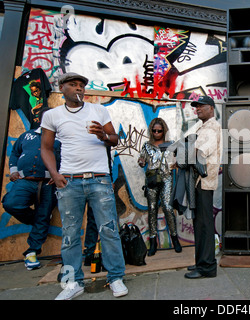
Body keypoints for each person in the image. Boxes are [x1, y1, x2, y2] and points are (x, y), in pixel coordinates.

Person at [40, 72, 128, 300]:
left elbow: (115, 138)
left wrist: (103, 136)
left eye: (81, 85)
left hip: (99, 178)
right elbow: (46, 148)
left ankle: (115, 277)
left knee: (108, 230)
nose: (78, 89)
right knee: (70, 233)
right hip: (69, 181)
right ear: (62, 88)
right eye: (73, 85)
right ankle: (73, 283)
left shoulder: (98, 110)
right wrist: (55, 173)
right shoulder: (52, 115)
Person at [2, 107, 60, 270]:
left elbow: (66, 159)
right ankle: (40, 220)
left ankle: (32, 252)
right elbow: (14, 153)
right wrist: (13, 170)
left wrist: (57, 175)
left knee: (44, 213)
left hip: (48, 183)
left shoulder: (60, 139)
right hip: (25, 180)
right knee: (11, 203)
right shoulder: (27, 135)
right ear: (42, 119)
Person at [184, 95, 222, 279]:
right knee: (199, 224)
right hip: (199, 182)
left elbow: (197, 153)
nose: (197, 109)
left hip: (203, 182)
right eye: (196, 106)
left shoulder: (211, 128)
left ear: (211, 108)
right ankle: (201, 262)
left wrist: (180, 151)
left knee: (205, 225)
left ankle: (207, 267)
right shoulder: (204, 127)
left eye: (201, 106)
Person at [138, 117, 181, 256]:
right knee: (152, 209)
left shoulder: (171, 144)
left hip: (167, 178)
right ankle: (152, 242)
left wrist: (176, 164)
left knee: (168, 208)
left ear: (164, 131)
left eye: (159, 131)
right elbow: (142, 160)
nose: (156, 133)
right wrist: (141, 161)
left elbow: (178, 159)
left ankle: (175, 239)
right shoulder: (146, 145)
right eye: (154, 130)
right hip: (151, 180)